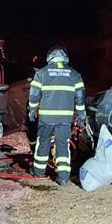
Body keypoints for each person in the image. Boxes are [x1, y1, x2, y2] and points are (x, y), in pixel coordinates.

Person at [28, 45, 85, 185]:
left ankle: (38, 171)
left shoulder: (41, 73)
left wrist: (32, 110)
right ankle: (64, 178)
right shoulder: (75, 74)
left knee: (43, 143)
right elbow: (80, 97)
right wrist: (81, 114)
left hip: (46, 117)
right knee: (62, 145)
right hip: (65, 118)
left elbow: (34, 95)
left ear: (49, 57)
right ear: (65, 57)